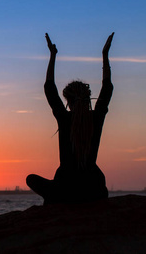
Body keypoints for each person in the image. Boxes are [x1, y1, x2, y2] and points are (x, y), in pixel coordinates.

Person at [26, 32, 114, 204]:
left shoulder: (64, 118)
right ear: (88, 99)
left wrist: (52, 56)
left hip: (65, 187)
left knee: (31, 179)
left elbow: (49, 88)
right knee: (94, 179)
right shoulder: (96, 117)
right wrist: (105, 55)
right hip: (93, 187)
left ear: (68, 101)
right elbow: (107, 87)